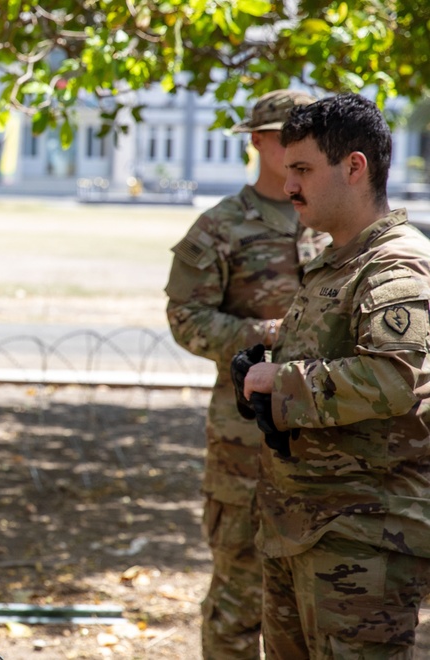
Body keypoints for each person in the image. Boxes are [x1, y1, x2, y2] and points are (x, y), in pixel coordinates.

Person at [240, 93, 430, 658]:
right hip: (300, 528)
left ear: (354, 166)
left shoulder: (395, 264)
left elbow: (398, 379)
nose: (289, 183)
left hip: (365, 539)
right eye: (288, 167)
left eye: (302, 169)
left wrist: (283, 384)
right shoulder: (334, 261)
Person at [165, 88, 325, 658]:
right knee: (239, 601)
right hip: (244, 441)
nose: (299, 148)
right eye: (287, 137)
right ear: (257, 142)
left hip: (327, 441)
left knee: (315, 610)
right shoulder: (221, 227)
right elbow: (185, 317)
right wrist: (259, 335)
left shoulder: (336, 220)